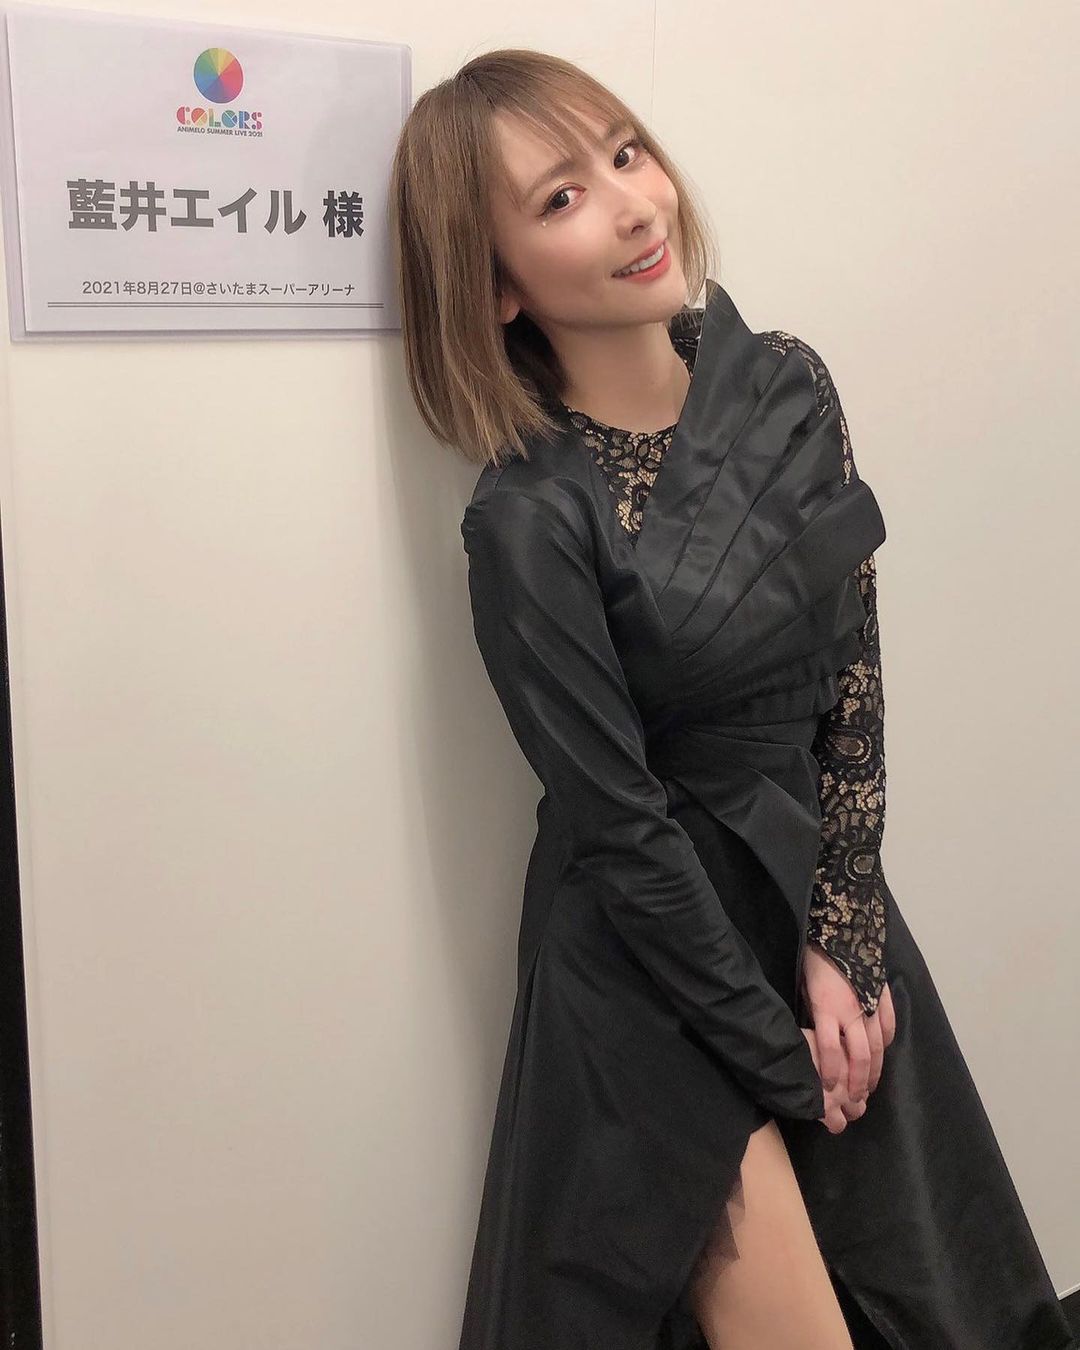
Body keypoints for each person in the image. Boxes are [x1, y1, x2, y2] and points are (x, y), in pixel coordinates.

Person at [388, 47, 1076, 1350]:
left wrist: (845, 930)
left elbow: (851, 670)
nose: (632, 205)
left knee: (935, 1298)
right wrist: (775, 1053)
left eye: (625, 153)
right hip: (646, 969)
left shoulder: (787, 384)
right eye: (559, 198)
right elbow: (616, 825)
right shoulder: (528, 516)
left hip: (809, 895)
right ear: (495, 287)